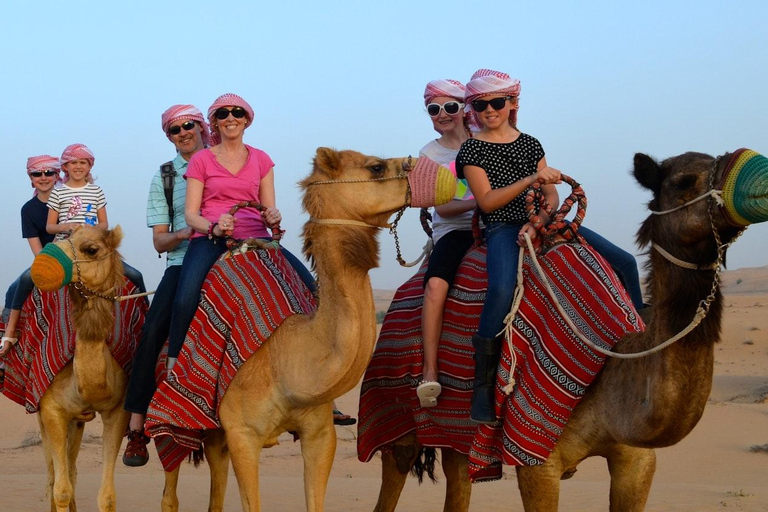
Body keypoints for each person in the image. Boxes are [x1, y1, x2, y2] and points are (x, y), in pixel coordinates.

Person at [457, 69, 644, 424]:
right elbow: (487, 201)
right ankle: (482, 385)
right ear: (474, 108)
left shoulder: (531, 143)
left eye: (497, 102)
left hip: (545, 221)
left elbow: (552, 192)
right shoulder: (472, 149)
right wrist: (530, 180)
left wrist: (541, 218)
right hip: (502, 227)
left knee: (624, 262)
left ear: (512, 103)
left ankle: (640, 342)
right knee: (500, 287)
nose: (490, 110)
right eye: (481, 104)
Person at [165, 93, 315, 373]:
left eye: (236, 112)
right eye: (223, 114)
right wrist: (214, 227)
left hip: (257, 236)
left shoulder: (261, 159)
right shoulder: (201, 160)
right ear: (215, 123)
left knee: (310, 288)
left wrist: (273, 216)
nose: (230, 118)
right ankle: (175, 366)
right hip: (212, 238)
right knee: (185, 297)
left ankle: (313, 368)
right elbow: (190, 215)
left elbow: (268, 208)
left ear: (246, 120)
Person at [122, 105, 208, 467]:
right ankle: (137, 427)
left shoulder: (228, 161)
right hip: (182, 259)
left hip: (231, 253)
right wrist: (189, 229)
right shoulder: (166, 177)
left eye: (188, 125)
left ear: (201, 126)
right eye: (175, 130)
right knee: (153, 331)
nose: (183, 132)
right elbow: (159, 242)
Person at [415, 79, 476, 408]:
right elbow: (443, 205)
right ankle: (430, 369)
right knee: (436, 285)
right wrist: (481, 201)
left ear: (464, 108)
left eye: (450, 106)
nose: (442, 114)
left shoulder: (485, 139)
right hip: (454, 228)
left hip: (497, 224)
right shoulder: (430, 154)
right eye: (434, 109)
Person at [47, 144, 146, 293]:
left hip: (92, 248)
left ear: (89, 166)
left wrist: (92, 230)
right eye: (74, 162)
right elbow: (49, 227)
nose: (78, 166)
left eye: (83, 162)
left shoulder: (96, 191)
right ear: (66, 166)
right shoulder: (57, 193)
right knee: (28, 278)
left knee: (135, 275)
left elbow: (104, 223)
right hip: (66, 247)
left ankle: (148, 312)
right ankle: (13, 311)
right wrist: (67, 226)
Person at [1, 155, 60, 358]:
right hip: (51, 259)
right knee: (15, 287)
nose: (43, 178)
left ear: (56, 175)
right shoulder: (29, 209)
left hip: (80, 254)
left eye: (48, 172)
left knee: (133, 275)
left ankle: (143, 324)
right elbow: (38, 251)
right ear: (31, 178)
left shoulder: (70, 201)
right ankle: (8, 337)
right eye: (37, 173)